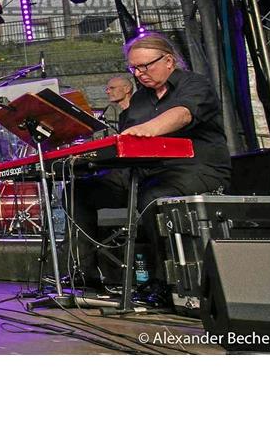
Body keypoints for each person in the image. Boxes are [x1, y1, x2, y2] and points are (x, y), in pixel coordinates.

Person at [68, 32, 230, 306]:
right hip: (144, 173)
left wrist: (146, 130)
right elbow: (126, 146)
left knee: (153, 198)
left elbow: (182, 114)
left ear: (169, 60)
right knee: (78, 192)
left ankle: (165, 283)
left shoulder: (195, 85)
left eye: (146, 66)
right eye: (134, 68)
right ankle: (86, 276)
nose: (140, 73)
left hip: (196, 170)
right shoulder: (140, 101)